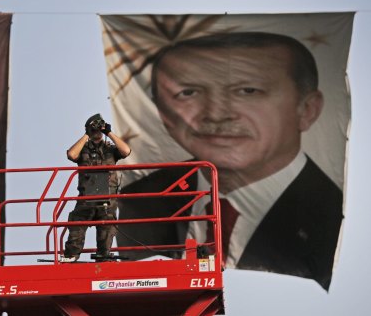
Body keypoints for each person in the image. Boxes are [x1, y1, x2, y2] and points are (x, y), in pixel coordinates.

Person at [119, 32, 343, 290]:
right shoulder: (137, 202)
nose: (216, 114)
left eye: (247, 91)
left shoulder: (337, 216)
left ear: (307, 109)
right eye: (188, 92)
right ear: (159, 108)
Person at [61, 114, 131, 262]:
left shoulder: (110, 149)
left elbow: (126, 151)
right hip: (87, 197)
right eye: (95, 128)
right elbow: (72, 155)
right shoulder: (83, 148)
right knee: (77, 223)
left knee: (107, 228)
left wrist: (109, 132)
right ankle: (71, 255)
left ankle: (103, 256)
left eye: (99, 129)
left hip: (108, 197)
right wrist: (87, 134)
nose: (97, 131)